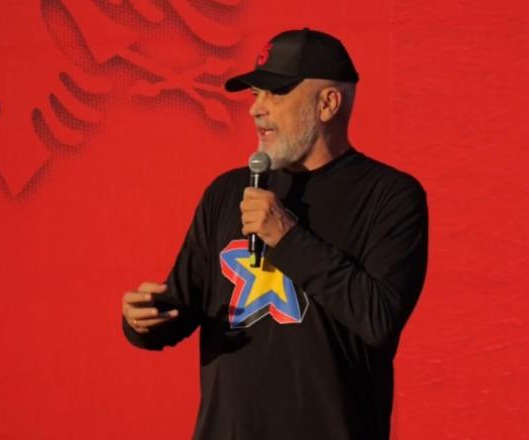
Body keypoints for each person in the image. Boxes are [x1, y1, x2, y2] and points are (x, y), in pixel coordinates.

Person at [121, 28, 428, 440]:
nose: (256, 109)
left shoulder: (389, 196)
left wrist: (287, 237)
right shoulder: (228, 191)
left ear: (328, 103)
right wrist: (143, 321)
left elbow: (379, 319)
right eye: (255, 94)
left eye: (276, 93)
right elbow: (181, 308)